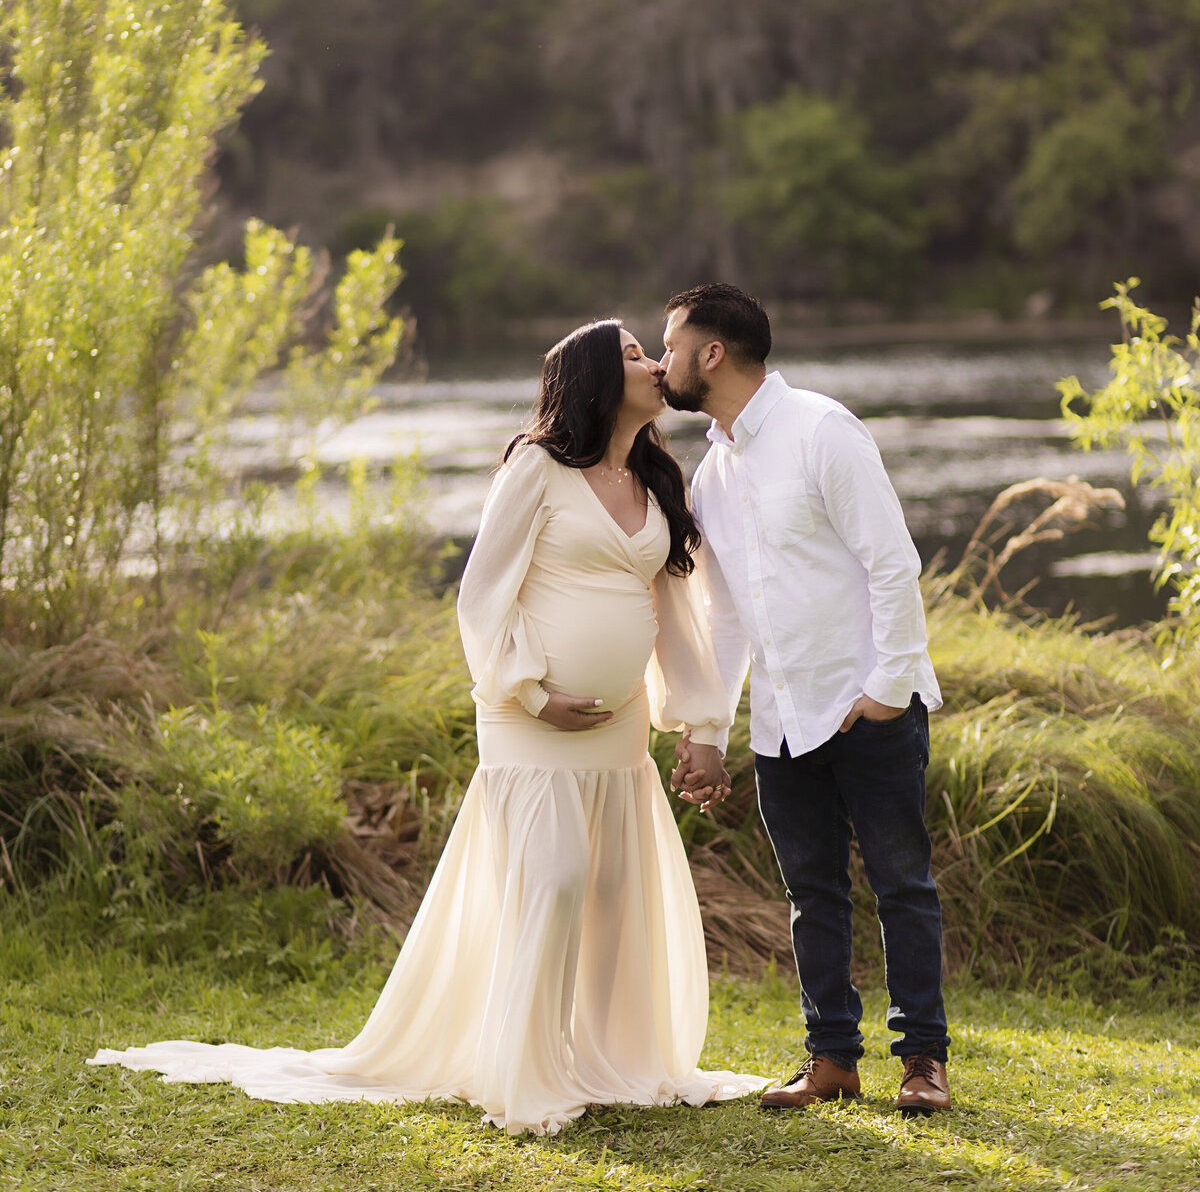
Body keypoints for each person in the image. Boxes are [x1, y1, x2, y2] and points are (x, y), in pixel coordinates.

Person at [91, 320, 764, 1136]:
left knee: (613, 893)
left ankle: (607, 1061)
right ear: (592, 377)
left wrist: (698, 721)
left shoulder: (660, 476)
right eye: (631, 353)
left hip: (617, 727)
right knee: (552, 879)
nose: (655, 363)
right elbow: (480, 596)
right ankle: (525, 1073)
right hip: (529, 718)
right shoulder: (537, 468)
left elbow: (675, 612)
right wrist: (529, 689)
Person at [661, 284, 952, 1115]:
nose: (662, 357)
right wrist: (710, 726)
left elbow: (893, 562)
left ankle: (922, 1061)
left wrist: (889, 687)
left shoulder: (824, 429)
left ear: (712, 353)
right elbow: (724, 620)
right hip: (785, 723)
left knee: (903, 885)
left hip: (868, 705)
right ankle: (832, 1058)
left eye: (670, 342)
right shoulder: (713, 473)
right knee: (810, 894)